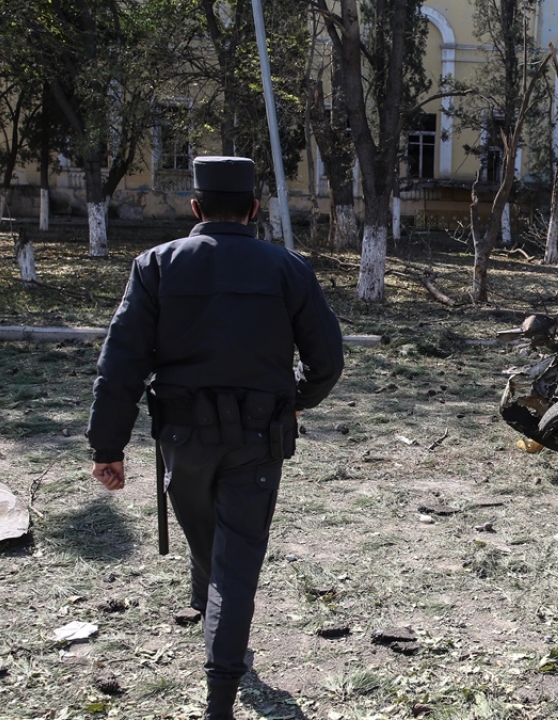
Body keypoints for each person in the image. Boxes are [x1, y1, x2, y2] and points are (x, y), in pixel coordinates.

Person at [87, 156, 343, 720]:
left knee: (211, 544)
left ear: (195, 207)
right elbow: (327, 361)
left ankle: (219, 676)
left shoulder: (156, 265)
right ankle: (221, 676)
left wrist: (108, 448)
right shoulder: (287, 268)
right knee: (234, 557)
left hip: (182, 438)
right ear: (255, 208)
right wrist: (296, 399)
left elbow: (121, 364)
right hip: (258, 439)